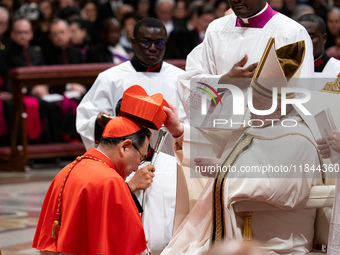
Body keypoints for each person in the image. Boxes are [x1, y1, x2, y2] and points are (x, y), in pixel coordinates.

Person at [160, 38, 323, 254]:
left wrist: (225, 173)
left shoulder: (299, 138)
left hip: (269, 242)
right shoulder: (259, 120)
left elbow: (286, 189)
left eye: (258, 99)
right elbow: (220, 147)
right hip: (238, 228)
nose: (249, 104)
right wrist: (179, 130)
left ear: (282, 104)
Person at [76, 17, 187, 254]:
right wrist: (102, 122)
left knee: (165, 221)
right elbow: (86, 119)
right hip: (123, 168)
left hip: (167, 167)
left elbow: (190, 123)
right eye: (146, 41)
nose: (152, 48)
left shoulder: (180, 78)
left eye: (159, 43)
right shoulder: (111, 77)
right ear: (133, 42)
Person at [32, 116, 153, 254]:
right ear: (125, 147)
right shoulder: (112, 181)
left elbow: (48, 246)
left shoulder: (65, 172)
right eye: (140, 157)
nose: (137, 167)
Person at [178, 0, 314, 119]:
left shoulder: (291, 33)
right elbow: (190, 83)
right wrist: (224, 81)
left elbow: (301, 96)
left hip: (267, 136)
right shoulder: (216, 29)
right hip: (219, 132)